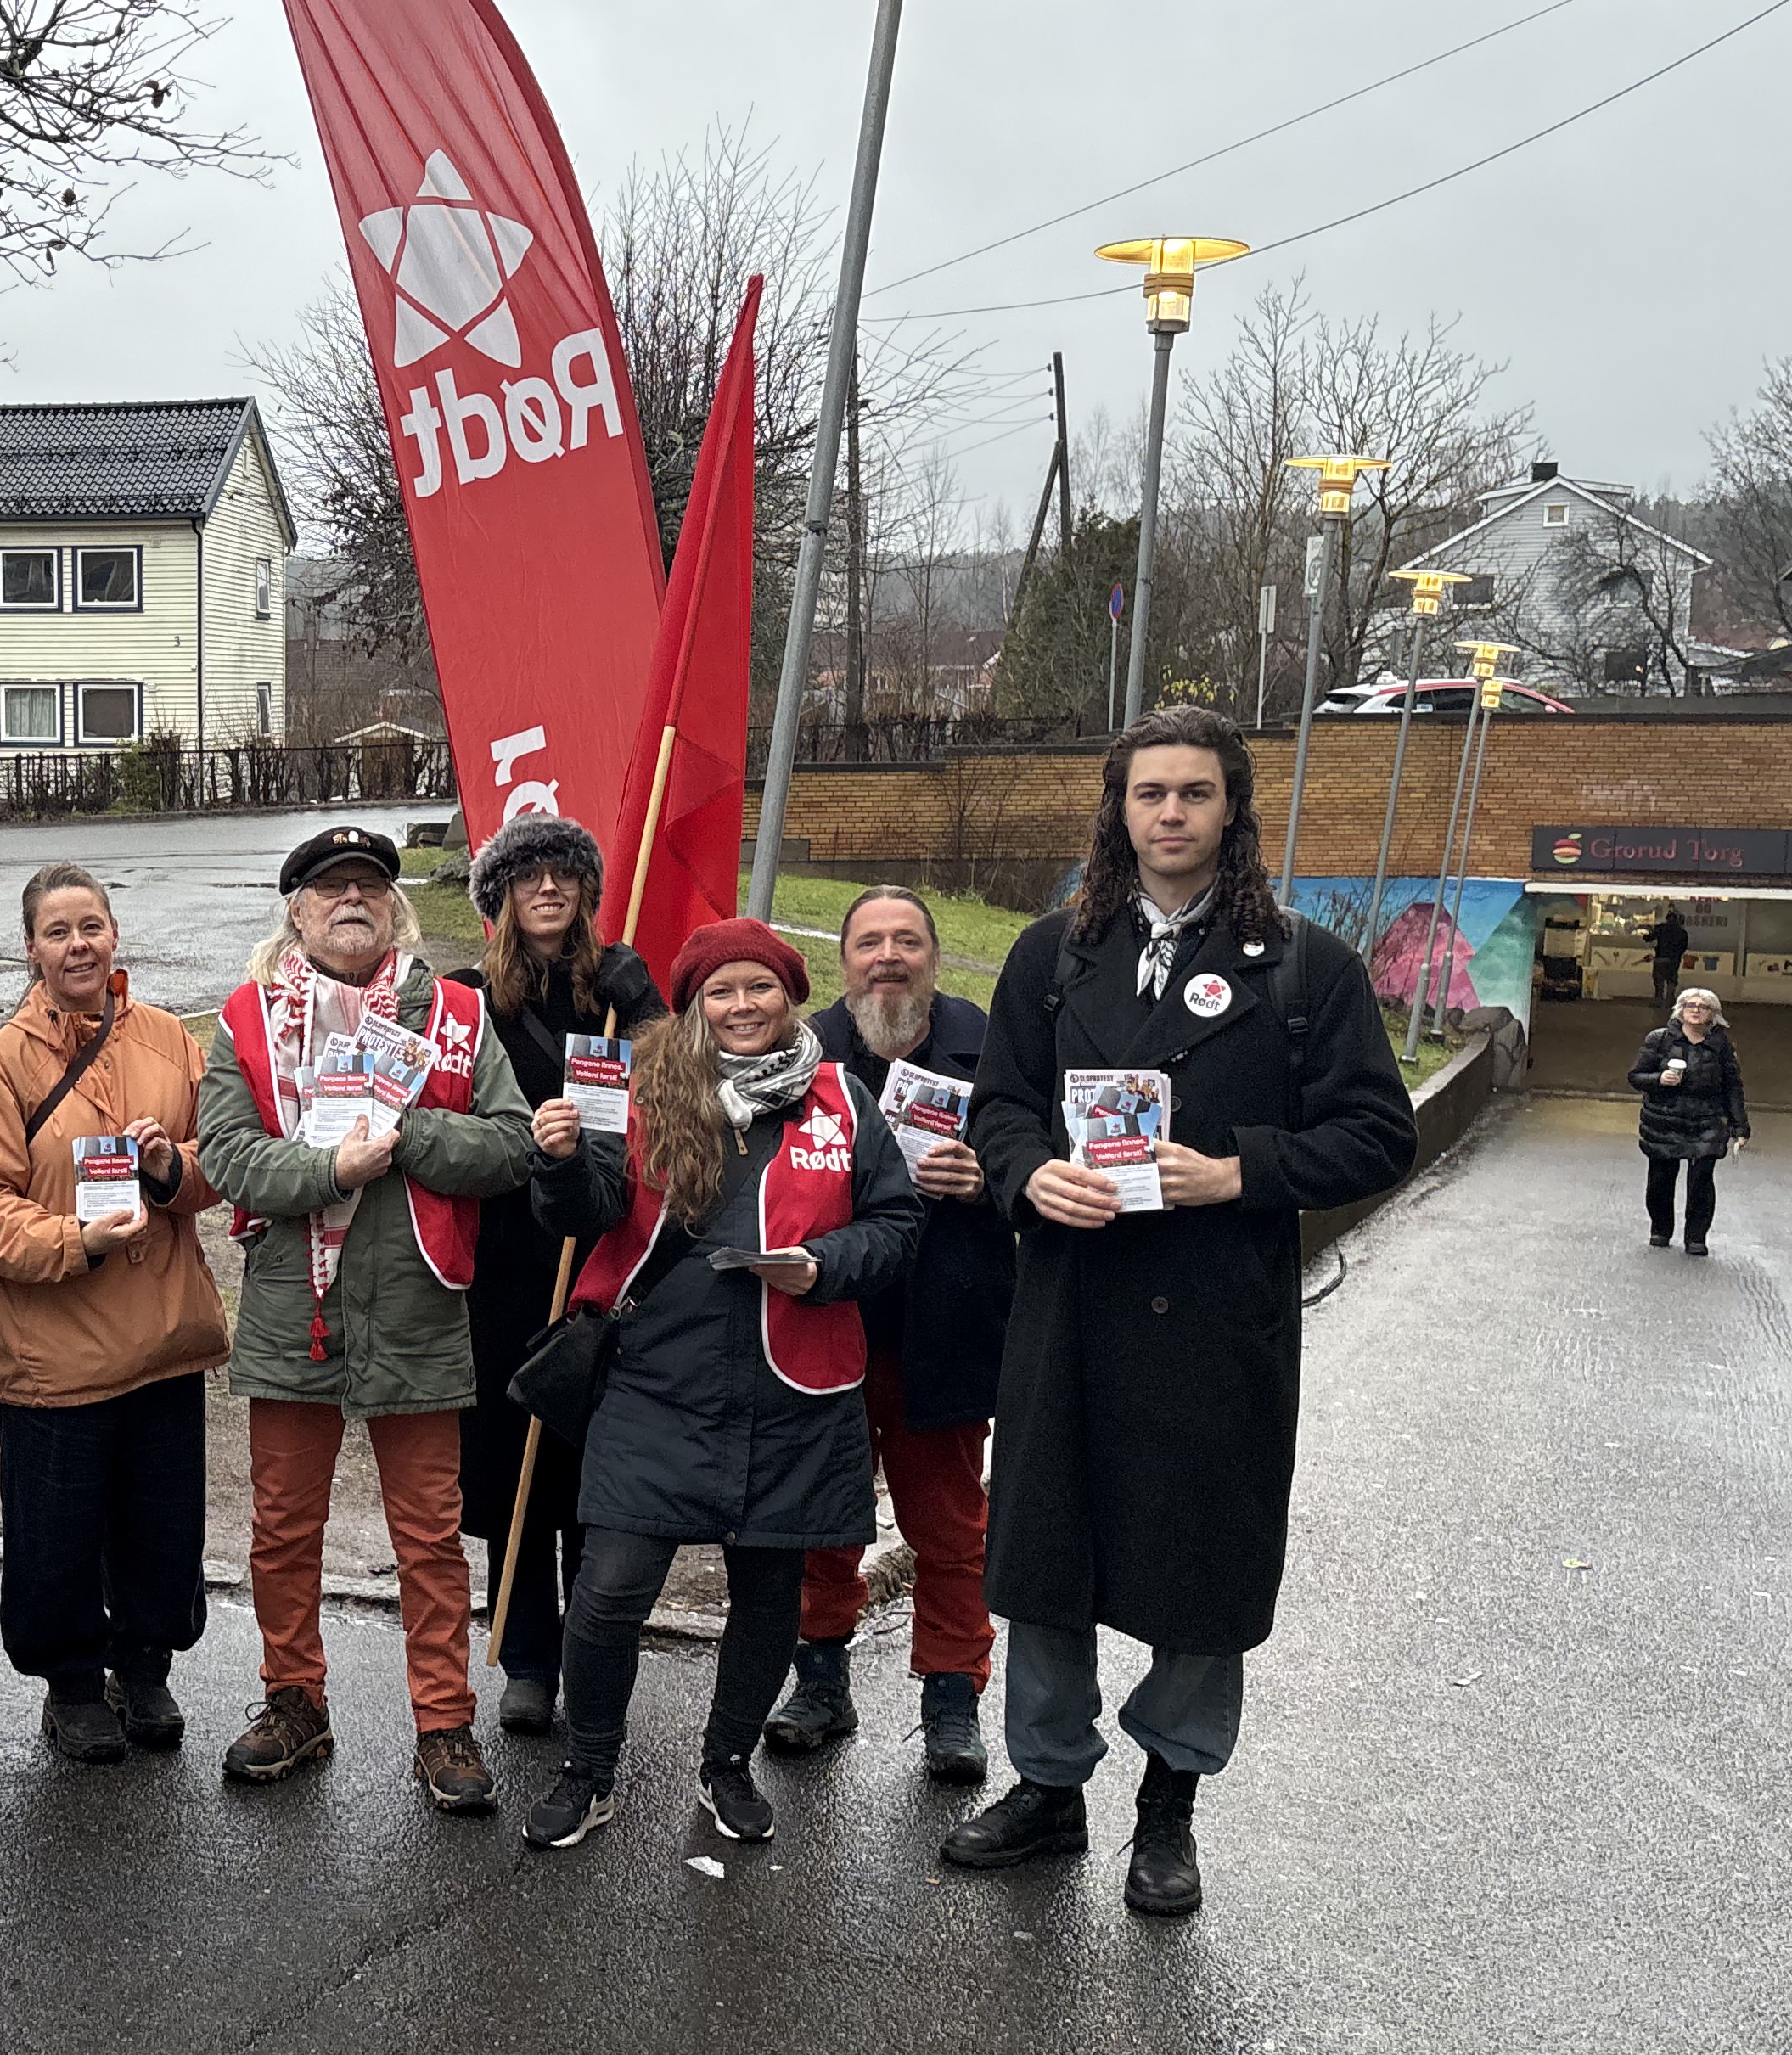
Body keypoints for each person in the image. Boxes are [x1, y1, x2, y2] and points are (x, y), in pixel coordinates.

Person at [946, 705, 1415, 1917]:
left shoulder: (1307, 965)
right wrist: (1024, 1171)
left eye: (1193, 794)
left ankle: (1170, 1804)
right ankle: (1049, 1788)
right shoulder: (1053, 954)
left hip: (1216, 1325)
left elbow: (1380, 1132)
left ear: (1231, 809)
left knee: (1202, 1572)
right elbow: (997, 1104)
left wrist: (1242, 1172)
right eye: (1148, 793)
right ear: (1118, 809)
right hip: (1072, 1312)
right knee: (1047, 1560)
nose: (1169, 815)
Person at [518, 918, 921, 1850]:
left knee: (769, 1597)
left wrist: (824, 1264)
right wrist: (560, 1159)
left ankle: (727, 1764)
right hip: (659, 1382)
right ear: (696, 1005)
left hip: (798, 1391)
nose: (742, 1007)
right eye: (721, 992)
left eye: (761, 989)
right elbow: (588, 1211)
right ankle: (590, 1771)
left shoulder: (842, 1099)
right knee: (611, 1591)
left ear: (791, 997)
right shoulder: (645, 1088)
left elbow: (898, 1225)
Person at [197, 823, 536, 1813]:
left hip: (419, 1301)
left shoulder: (459, 1015)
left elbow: (511, 1146)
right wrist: (329, 1169)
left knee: (428, 1534)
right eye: (328, 887)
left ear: (393, 909)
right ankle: (294, 1700)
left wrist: (410, 1132)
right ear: (296, 911)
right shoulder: (247, 1018)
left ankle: (443, 1722)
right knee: (282, 1528)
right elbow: (228, 1157)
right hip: (290, 1305)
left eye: (368, 887)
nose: (351, 899)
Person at [0, 863, 228, 1762]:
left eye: (92, 926)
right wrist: (77, 1239)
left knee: (163, 1523)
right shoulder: (2, 1063)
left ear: (115, 937)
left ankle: (145, 1668)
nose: (79, 944)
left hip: (162, 1337)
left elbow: (220, 1160)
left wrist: (167, 1169)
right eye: (59, 931)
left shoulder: (172, 1043)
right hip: (52, 1352)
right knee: (56, 1531)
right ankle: (72, 1684)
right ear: (31, 949)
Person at [767, 882, 1013, 1784]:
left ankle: (952, 1699)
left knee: (950, 1527)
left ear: (933, 955)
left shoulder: (989, 1046)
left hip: (946, 1327)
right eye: (870, 942)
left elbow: (1041, 1165)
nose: (888, 956)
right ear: (844, 962)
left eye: (906, 939)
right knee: (819, 1518)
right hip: (828, 1329)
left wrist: (988, 1179)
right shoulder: (806, 1052)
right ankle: (820, 1681)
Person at [444, 813, 666, 1736]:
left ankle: (591, 1649)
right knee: (514, 1461)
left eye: (563, 875)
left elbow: (683, 1100)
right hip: (505, 1266)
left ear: (585, 892)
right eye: (527, 875)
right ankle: (526, 1652)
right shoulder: (469, 999)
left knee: (593, 1465)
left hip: (607, 1260)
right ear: (499, 897)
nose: (546, 888)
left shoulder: (615, 997)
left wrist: (652, 1014)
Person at [1632, 986, 1747, 1253]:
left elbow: (1732, 1086)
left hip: (1706, 1121)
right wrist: (1659, 1080)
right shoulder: (1659, 1040)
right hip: (1664, 1119)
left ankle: (1696, 1237)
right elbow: (1636, 1076)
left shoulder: (1721, 1045)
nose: (1696, 1010)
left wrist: (1740, 1126)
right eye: (1690, 1005)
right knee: (1661, 1178)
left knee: (1702, 1180)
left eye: (1703, 1007)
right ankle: (1660, 1229)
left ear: (1712, 1014)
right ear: (1680, 1010)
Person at [1644, 907, 1691, 1007]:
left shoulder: (1660, 928)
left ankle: (1659, 1000)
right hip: (1673, 960)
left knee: (1659, 981)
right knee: (1671, 981)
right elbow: (1683, 947)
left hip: (1661, 958)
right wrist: (1677, 956)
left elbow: (1648, 938)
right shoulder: (1682, 933)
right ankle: (1670, 1001)